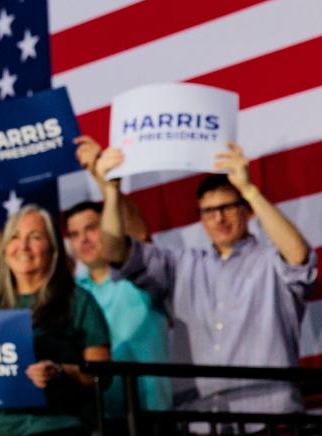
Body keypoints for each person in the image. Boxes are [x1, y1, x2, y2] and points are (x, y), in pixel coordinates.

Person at [95, 142, 316, 415]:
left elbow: (299, 258)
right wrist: (111, 193)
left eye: (228, 208)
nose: (219, 219)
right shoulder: (181, 265)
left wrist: (250, 190)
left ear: (247, 211)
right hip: (200, 418)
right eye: (209, 212)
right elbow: (115, 252)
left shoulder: (270, 261)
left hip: (268, 415)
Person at [65, 136, 171, 424]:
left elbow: (136, 235)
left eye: (91, 228)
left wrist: (105, 182)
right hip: (99, 420)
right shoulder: (72, 295)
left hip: (153, 417)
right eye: (74, 234)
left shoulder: (137, 275)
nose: (83, 239)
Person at [0, 202, 112, 435]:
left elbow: (101, 374)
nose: (23, 246)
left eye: (34, 237)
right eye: (14, 237)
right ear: (5, 249)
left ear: (53, 248)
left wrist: (61, 371)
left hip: (60, 426)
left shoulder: (77, 300)